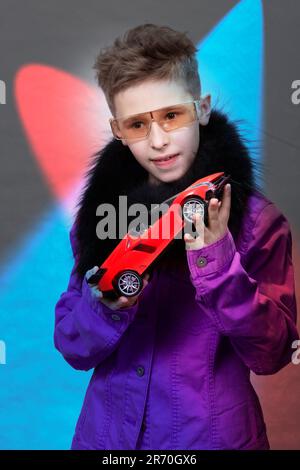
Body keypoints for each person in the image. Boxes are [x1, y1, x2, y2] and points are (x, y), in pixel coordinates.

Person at [54, 23, 299, 450]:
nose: (159, 140)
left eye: (172, 115)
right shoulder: (100, 220)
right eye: (136, 124)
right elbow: (73, 346)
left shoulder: (259, 223)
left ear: (201, 108)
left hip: (211, 440)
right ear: (117, 131)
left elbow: (273, 353)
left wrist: (219, 262)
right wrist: (106, 306)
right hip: (106, 440)